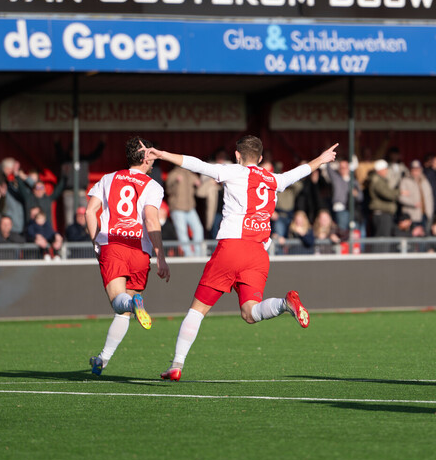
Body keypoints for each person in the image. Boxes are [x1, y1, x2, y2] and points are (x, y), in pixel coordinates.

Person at [142, 136, 337, 381]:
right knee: (249, 313)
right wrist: (322, 158)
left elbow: (196, 164)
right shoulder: (274, 179)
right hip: (258, 253)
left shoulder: (233, 171)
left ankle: (176, 364)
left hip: (232, 248)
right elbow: (301, 171)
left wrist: (162, 154)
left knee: (197, 310)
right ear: (261, 158)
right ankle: (283, 304)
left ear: (237, 155)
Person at [84, 136, 170, 376]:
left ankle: (133, 303)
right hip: (140, 251)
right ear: (145, 158)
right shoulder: (153, 186)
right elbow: (151, 220)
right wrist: (161, 257)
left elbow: (90, 212)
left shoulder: (108, 179)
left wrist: (96, 241)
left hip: (113, 245)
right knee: (123, 313)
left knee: (119, 302)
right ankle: (102, 359)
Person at [165, 164, 205, 257]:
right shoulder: (173, 174)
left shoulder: (190, 174)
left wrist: (198, 184)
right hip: (177, 208)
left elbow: (199, 188)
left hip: (190, 207)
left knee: (198, 228)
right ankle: (188, 254)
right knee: (182, 232)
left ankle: (198, 253)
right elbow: (168, 190)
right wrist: (175, 182)